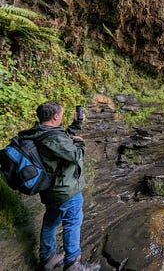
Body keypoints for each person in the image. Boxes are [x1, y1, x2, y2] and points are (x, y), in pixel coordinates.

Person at [18, 101, 99, 271]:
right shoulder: (52, 138)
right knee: (72, 222)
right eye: (61, 114)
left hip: (50, 190)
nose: (62, 116)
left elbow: (59, 141)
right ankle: (73, 264)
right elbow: (74, 154)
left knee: (51, 222)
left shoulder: (36, 132)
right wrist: (80, 142)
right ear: (55, 116)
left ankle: (48, 258)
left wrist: (75, 126)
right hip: (66, 191)